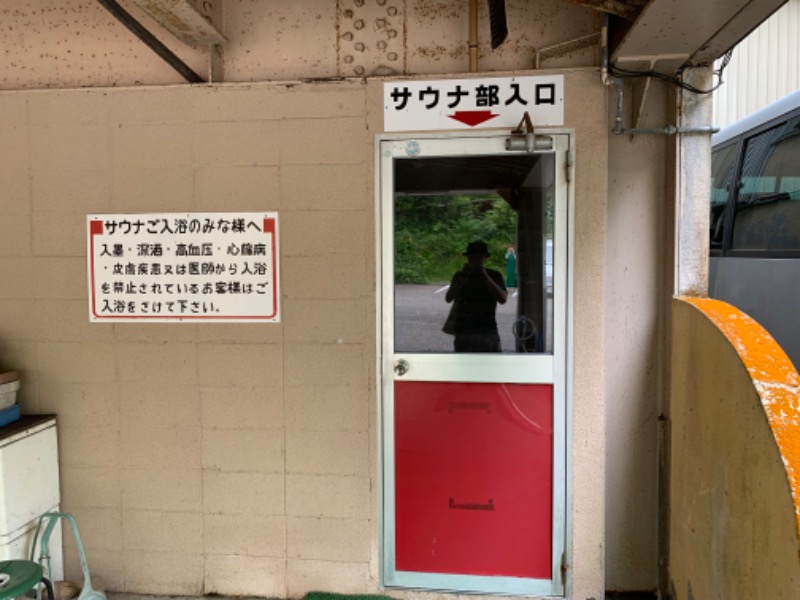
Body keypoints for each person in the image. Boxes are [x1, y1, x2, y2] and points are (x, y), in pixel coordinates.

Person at [444, 240, 508, 352]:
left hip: (487, 330)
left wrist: (484, 274)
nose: (475, 260)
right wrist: (463, 277)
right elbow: (448, 298)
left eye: (479, 257)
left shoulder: (494, 275)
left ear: (484, 258)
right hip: (464, 331)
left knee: (491, 366)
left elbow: (502, 299)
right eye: (472, 257)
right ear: (468, 257)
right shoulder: (460, 275)